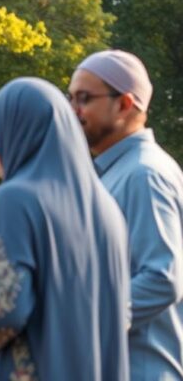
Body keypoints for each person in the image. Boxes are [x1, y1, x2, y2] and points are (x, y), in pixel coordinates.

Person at [0, 77, 130, 379]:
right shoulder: (108, 211)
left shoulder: (14, 199)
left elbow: (3, 309)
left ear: (21, 133)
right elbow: (123, 312)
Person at [70, 50, 183, 379]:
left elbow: (163, 278)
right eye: (70, 98)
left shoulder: (145, 175)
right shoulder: (112, 173)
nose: (73, 111)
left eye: (84, 98)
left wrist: (79, 317)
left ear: (125, 104)